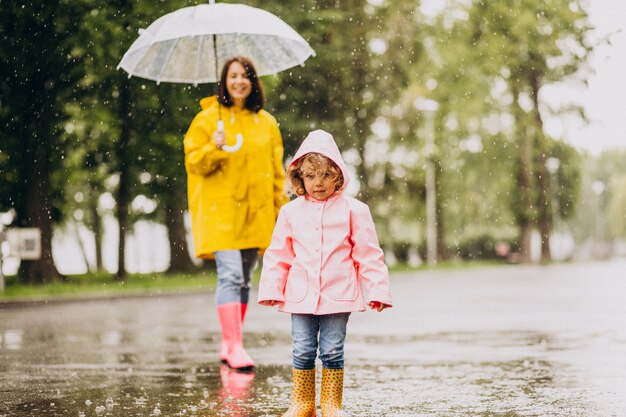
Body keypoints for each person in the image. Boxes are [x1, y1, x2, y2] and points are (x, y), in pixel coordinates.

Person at [257, 130, 393, 416]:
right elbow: (279, 254)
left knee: (332, 350)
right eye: (310, 176)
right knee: (302, 349)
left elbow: (369, 254)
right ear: (300, 179)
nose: (318, 183)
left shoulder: (355, 210)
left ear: (338, 176)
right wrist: (271, 288)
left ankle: (331, 404)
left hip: (338, 293)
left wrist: (377, 289)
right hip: (301, 294)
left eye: (325, 175)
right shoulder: (290, 212)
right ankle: (302, 403)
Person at [184, 56, 288, 370]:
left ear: (254, 81)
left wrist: (281, 210)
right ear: (224, 81)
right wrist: (213, 147)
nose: (239, 81)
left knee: (243, 280)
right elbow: (193, 163)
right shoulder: (207, 119)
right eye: (233, 76)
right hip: (221, 213)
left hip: (256, 213)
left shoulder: (266, 122)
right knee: (230, 275)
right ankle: (236, 345)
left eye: (245, 76)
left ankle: (230, 340)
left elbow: (276, 171)